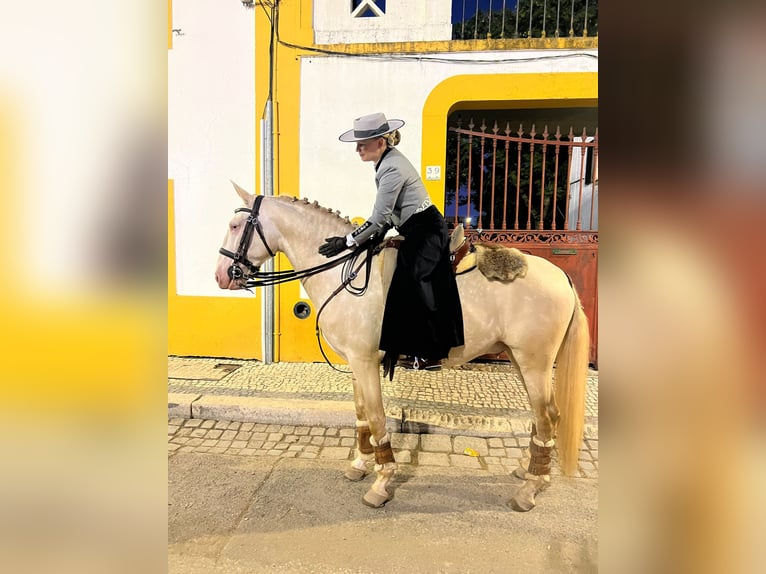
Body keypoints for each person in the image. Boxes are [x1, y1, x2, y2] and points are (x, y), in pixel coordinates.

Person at [318, 112, 464, 375]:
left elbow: (378, 218)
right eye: (358, 143)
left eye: (364, 142)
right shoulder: (385, 163)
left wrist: (347, 241)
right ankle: (401, 346)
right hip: (413, 228)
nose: (358, 148)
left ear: (381, 142)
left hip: (427, 230)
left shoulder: (392, 167)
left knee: (417, 278)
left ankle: (430, 354)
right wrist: (370, 238)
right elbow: (387, 216)